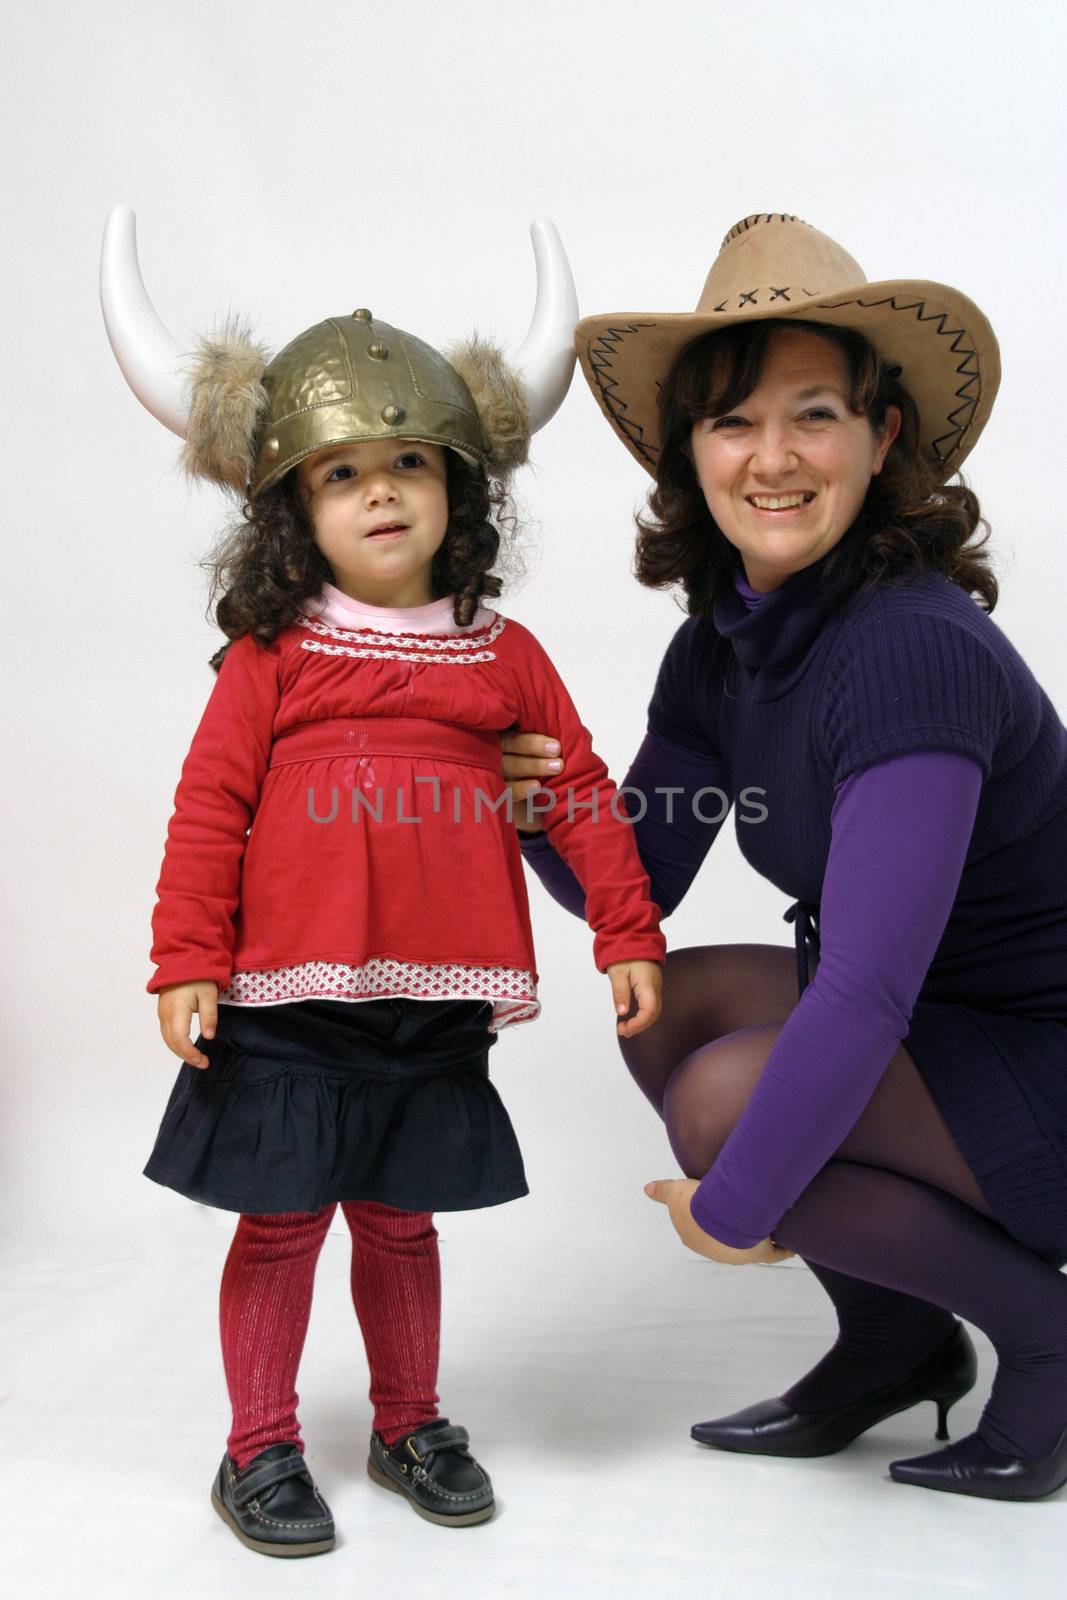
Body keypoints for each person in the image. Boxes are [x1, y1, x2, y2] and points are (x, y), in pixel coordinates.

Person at [100, 207, 665, 1555]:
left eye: (409, 460)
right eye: (340, 472)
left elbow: (576, 786)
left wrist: (626, 931)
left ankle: (409, 1420)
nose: (381, 491)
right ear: (294, 507)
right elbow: (210, 806)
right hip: (287, 1000)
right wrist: (185, 956)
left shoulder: (501, 650)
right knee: (284, 1222)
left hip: (435, 999)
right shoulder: (272, 657)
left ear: (459, 484)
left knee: (402, 1223)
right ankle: (260, 1449)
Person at [504, 212, 1067, 1502]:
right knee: (673, 997)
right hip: (953, 1028)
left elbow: (864, 990)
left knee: (727, 1105)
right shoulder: (726, 640)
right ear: (687, 455)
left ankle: (1047, 1342)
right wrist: (531, 803)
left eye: (812, 415)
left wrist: (740, 1200)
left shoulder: (910, 651)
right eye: (730, 422)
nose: (771, 458)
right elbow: (625, 894)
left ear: (883, 438)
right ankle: (892, 1336)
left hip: (1044, 1056)